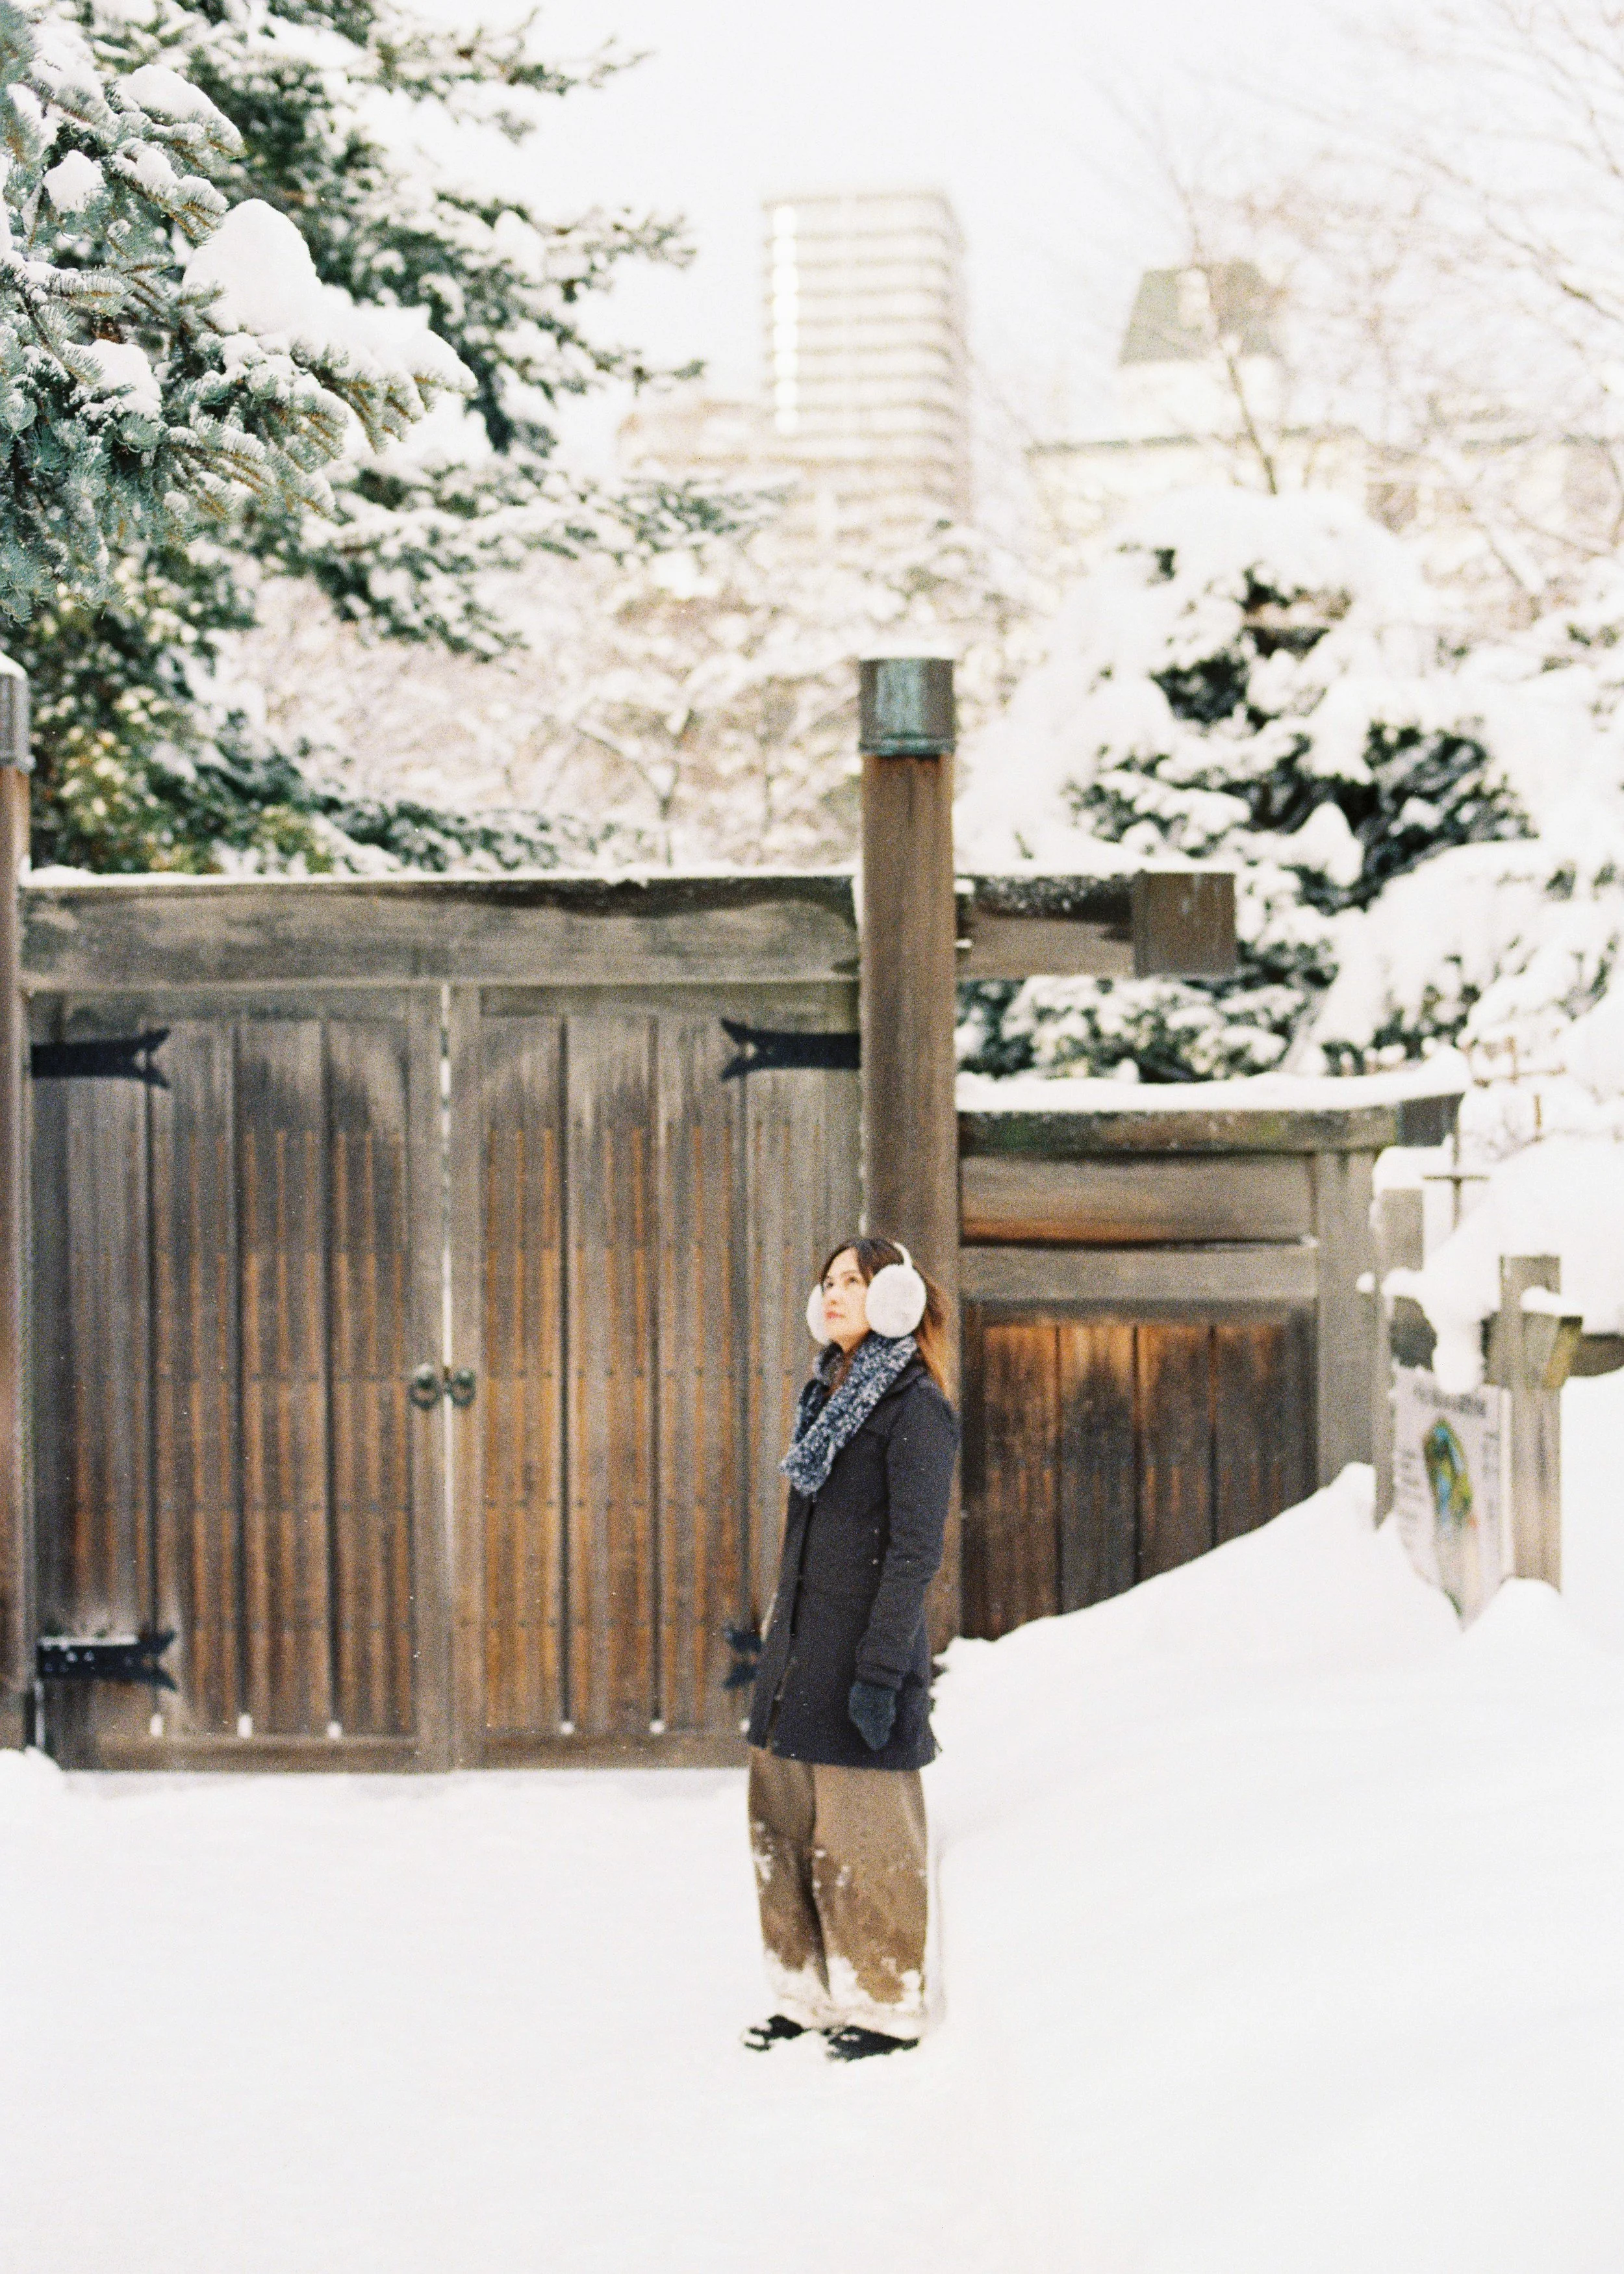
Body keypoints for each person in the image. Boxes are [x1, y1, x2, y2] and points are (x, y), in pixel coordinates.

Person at [741, 1235, 959, 2062]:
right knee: (784, 1825)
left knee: (864, 1835)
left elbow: (913, 1554)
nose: (833, 1293)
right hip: (798, 1651)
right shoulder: (824, 1398)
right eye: (827, 1280)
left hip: (860, 1655)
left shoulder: (916, 1409)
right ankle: (804, 1992)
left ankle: (883, 2001)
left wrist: (878, 1672)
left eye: (853, 1281)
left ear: (896, 1297)